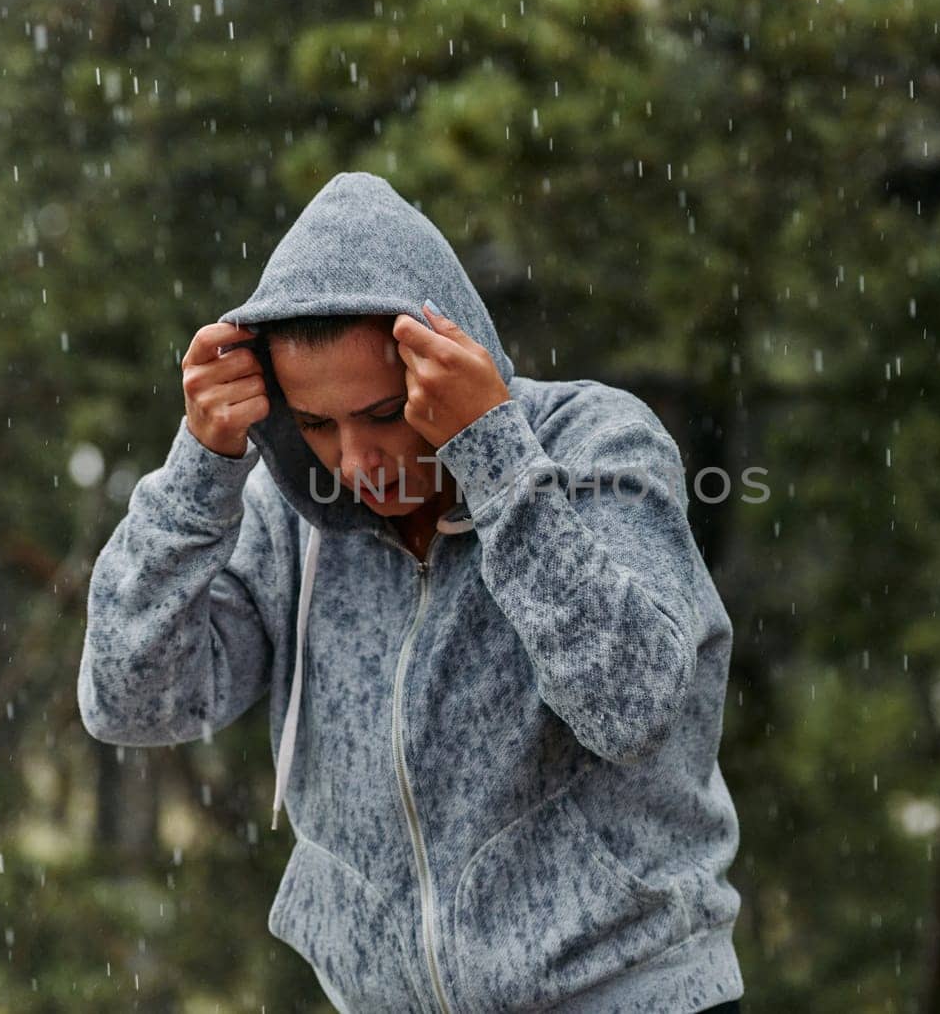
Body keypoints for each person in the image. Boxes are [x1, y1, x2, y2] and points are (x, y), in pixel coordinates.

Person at [77, 170, 744, 1013]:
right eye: (316, 425)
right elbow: (130, 701)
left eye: (385, 411)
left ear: (452, 361)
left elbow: (633, 706)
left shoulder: (595, 443)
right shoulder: (289, 518)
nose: (356, 461)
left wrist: (494, 458)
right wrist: (198, 472)